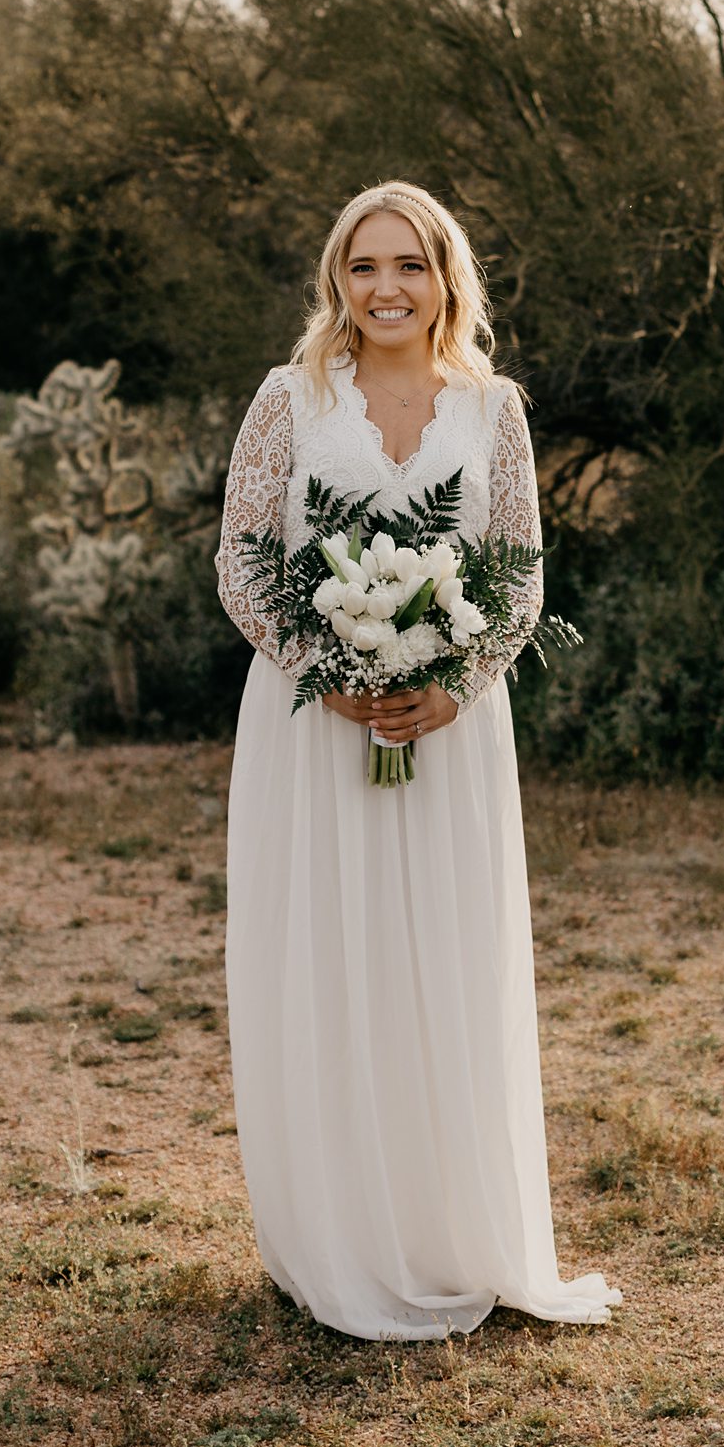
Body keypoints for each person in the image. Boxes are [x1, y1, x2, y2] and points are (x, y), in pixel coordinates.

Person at [216, 179, 622, 1341]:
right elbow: (243, 565)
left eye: (409, 265)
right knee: (326, 963)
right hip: (311, 724)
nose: (385, 288)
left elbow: (521, 575)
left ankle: (455, 1231)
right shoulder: (287, 401)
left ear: (447, 278)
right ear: (335, 282)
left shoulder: (492, 410)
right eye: (363, 266)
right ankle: (337, 1241)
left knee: (441, 962)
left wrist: (452, 681)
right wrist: (326, 670)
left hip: (446, 733)